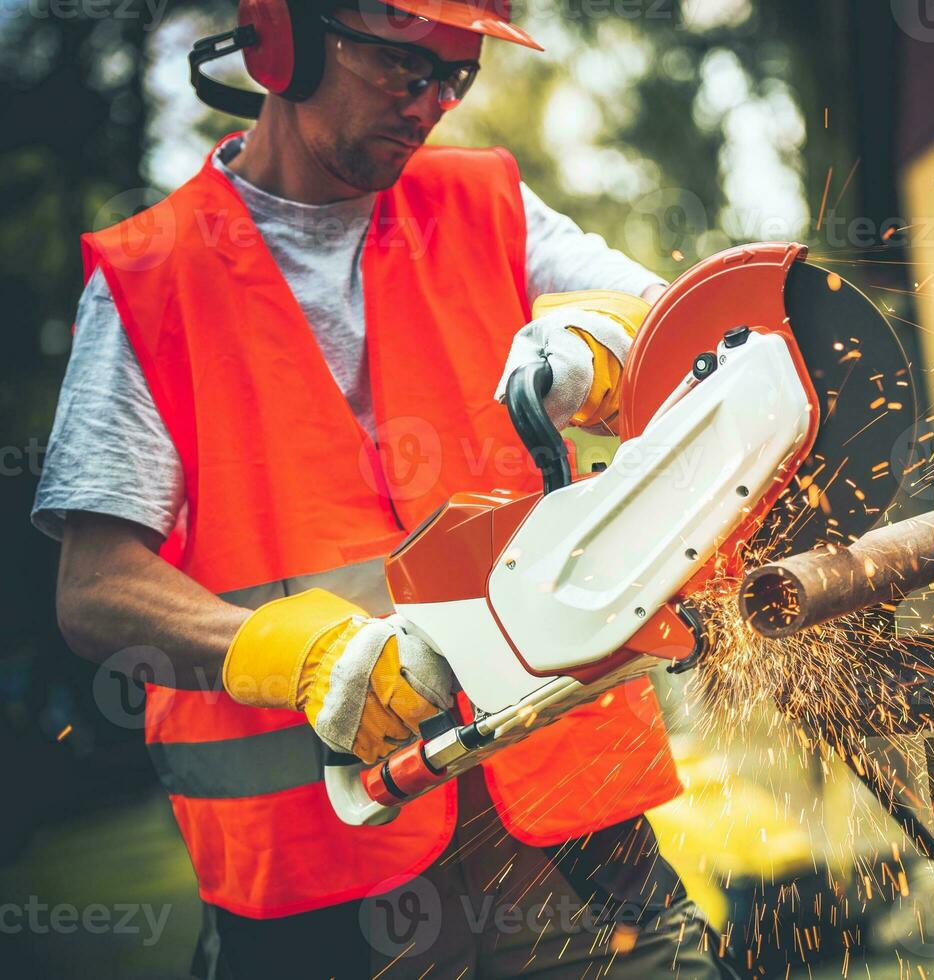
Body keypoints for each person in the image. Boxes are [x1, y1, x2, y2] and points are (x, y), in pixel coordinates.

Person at [33, 0, 733, 975]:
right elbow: (95, 588)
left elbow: (695, 334)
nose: (431, 104)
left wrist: (602, 344)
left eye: (458, 76)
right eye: (403, 67)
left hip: (565, 840)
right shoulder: (152, 277)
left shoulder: (486, 204)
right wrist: (303, 654)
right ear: (282, 40)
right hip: (321, 889)